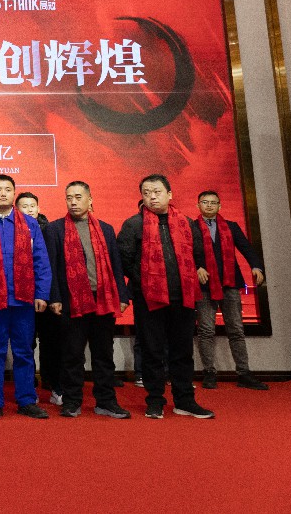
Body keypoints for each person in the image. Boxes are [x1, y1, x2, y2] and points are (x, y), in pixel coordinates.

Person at [118, 174, 213, 419]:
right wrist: (146, 281)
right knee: (152, 351)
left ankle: (184, 401)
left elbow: (198, 253)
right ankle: (155, 400)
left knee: (182, 351)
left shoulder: (186, 222)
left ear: (169, 194)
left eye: (157, 192)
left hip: (183, 297)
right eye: (146, 193)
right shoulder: (133, 224)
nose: (152, 197)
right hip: (149, 299)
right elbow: (124, 260)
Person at [43, 181, 131, 418]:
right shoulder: (55, 229)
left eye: (78, 197)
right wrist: (54, 297)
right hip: (72, 301)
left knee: (104, 354)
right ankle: (72, 401)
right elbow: (50, 267)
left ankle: (106, 401)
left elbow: (116, 265)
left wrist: (122, 295)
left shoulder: (106, 229)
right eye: (69, 197)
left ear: (90, 200)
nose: (73, 202)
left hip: (103, 299)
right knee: (72, 355)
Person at [0, 175, 52, 420]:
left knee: (24, 352)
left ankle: (26, 400)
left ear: (14, 193)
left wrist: (42, 293)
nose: (3, 193)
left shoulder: (30, 224)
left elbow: (41, 260)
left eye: (7, 189)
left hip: (23, 300)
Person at [193, 191, 268, 390]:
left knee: (236, 330)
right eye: (205, 202)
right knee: (206, 331)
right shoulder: (191, 227)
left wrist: (256, 266)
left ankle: (244, 373)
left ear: (220, 206)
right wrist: (196, 267)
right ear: (198, 205)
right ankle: (209, 372)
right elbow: (184, 253)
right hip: (204, 286)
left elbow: (246, 248)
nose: (209, 205)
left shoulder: (231, 227)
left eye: (213, 202)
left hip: (230, 284)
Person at [16, 191, 62, 405]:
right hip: (23, 296)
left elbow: (53, 266)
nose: (29, 210)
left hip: (47, 294)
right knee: (26, 342)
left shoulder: (50, 230)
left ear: (38, 208)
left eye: (32, 206)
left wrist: (51, 295)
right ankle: (29, 383)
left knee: (50, 340)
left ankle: (51, 380)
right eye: (24, 206)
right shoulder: (12, 230)